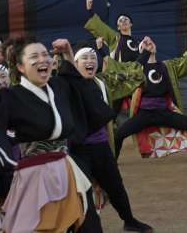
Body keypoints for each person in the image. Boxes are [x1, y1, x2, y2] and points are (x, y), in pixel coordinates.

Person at [0, 37, 95, 233]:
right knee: (38, 227)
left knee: (87, 224)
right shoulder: (11, 96)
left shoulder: (59, 86)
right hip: (35, 173)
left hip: (65, 166)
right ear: (20, 67)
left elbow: (78, 84)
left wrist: (68, 53)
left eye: (45, 54)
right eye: (34, 56)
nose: (42, 60)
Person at [61, 43, 152, 233]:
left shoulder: (103, 82)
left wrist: (145, 53)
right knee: (81, 193)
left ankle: (129, 220)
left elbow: (129, 73)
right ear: (74, 63)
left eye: (93, 58)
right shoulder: (64, 85)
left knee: (116, 186)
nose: (90, 61)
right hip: (77, 150)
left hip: (101, 146)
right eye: (84, 58)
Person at [113, 34, 187, 161]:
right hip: (144, 114)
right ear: (141, 51)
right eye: (144, 44)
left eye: (150, 42)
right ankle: (112, 161)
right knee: (119, 134)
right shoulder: (137, 69)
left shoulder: (167, 66)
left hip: (164, 113)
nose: (148, 44)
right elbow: (122, 79)